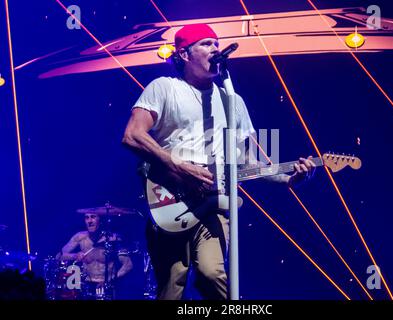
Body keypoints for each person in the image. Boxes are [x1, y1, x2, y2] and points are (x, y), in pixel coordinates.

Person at [122, 23, 315, 300]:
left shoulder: (233, 101)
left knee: (213, 275)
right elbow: (132, 135)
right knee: (171, 285)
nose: (215, 48)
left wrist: (289, 178)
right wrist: (177, 166)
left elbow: (246, 160)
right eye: (205, 43)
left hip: (214, 204)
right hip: (169, 200)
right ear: (184, 54)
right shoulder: (164, 88)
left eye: (216, 43)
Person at [57, 213, 133, 299]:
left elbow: (128, 265)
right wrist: (74, 256)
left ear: (100, 220)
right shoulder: (80, 237)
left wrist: (109, 281)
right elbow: (59, 256)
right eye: (87, 218)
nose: (89, 221)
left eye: (93, 217)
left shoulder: (112, 239)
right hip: (86, 285)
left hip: (107, 286)